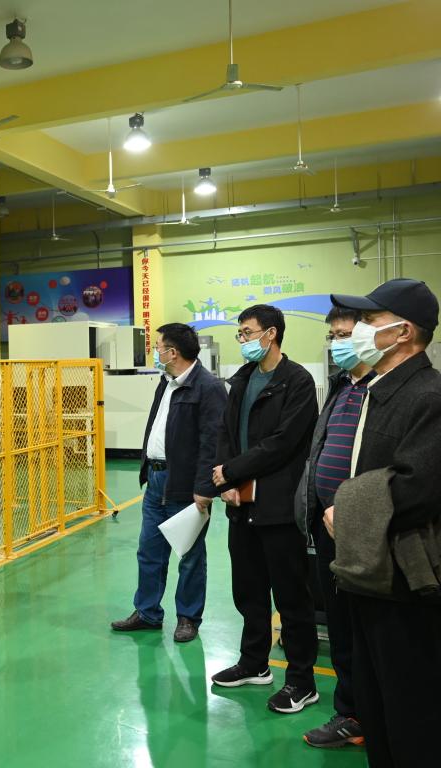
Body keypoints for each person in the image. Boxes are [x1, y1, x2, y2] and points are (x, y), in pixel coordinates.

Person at [326, 279, 441, 766]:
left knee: (409, 708)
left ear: (404, 332)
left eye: (370, 321)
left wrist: (345, 508)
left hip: (403, 580)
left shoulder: (428, 395)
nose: (358, 330)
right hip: (368, 572)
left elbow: (417, 487)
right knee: (375, 703)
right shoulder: (380, 389)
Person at [210, 305, 320, 714]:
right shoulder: (241, 379)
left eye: (246, 332)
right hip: (241, 505)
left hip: (278, 506)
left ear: (270, 334)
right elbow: (225, 433)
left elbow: (282, 443)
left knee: (291, 597)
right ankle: (254, 664)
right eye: (240, 334)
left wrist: (232, 471)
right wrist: (226, 480)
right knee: (249, 591)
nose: (242, 340)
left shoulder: (297, 382)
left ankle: (302, 681)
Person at [112, 323, 227, 642]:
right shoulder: (166, 383)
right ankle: (147, 612)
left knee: (189, 555)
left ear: (173, 352)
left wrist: (204, 488)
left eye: (159, 347)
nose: (156, 351)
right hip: (156, 480)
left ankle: (188, 617)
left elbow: (212, 442)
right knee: (149, 550)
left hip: (186, 484)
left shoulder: (208, 387)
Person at [293, 307, 373, 749]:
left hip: (365, 529)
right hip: (327, 527)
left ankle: (370, 713)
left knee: (367, 629)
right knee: (341, 626)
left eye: (345, 334)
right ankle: (350, 713)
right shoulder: (342, 385)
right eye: (333, 336)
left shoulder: (385, 390)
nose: (337, 343)